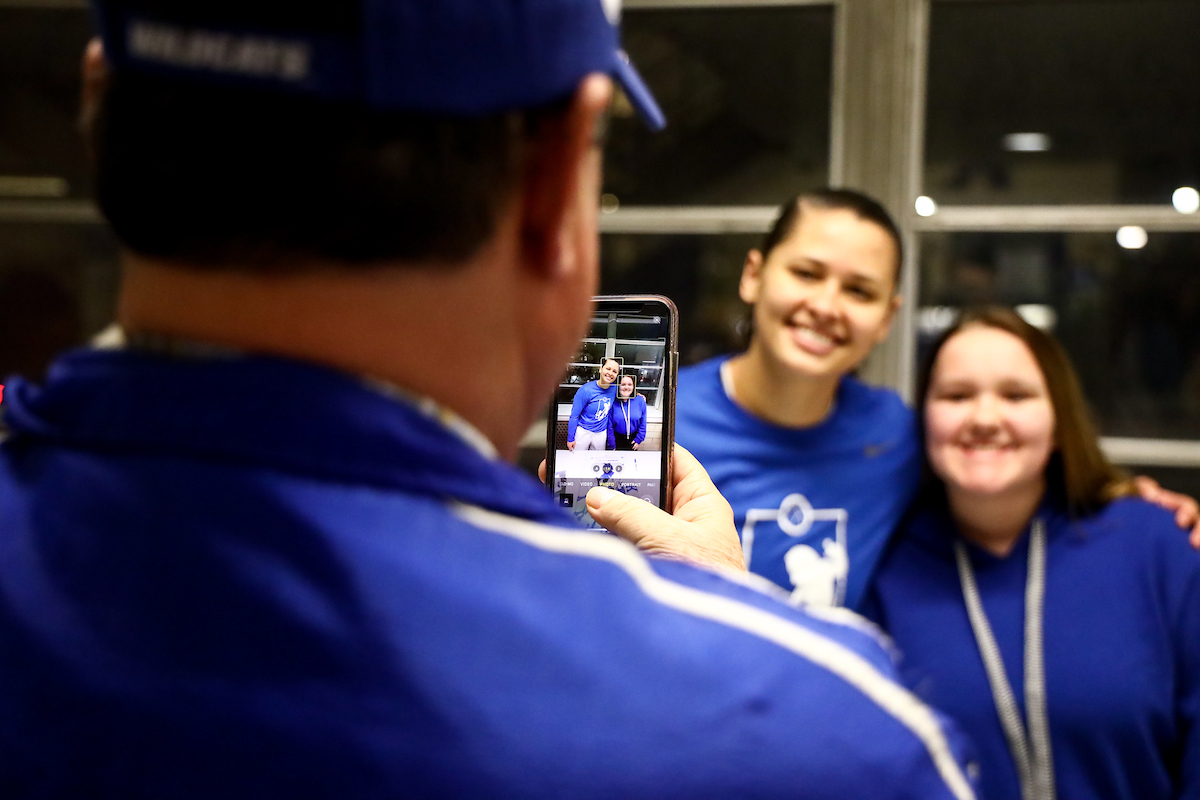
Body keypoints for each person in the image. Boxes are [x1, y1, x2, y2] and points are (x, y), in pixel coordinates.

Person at [0, 1, 980, 798]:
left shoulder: (892, 440)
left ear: (100, 106)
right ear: (557, 184)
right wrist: (718, 611)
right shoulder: (818, 737)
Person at [675, 189, 1200, 610]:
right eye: (806, 273)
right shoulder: (662, 422)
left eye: (859, 291)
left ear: (887, 317)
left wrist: (1133, 501)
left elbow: (1008, 474)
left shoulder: (898, 436)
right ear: (754, 275)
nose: (826, 305)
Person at [863, 308, 1200, 800]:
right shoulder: (884, 564)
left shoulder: (1158, 545)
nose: (983, 418)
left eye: (1016, 395)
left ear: (1060, 420)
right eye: (956, 396)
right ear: (924, 420)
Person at [567, 357, 619, 450]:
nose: (610, 373)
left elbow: (627, 391)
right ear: (600, 369)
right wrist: (570, 438)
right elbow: (574, 415)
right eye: (608, 368)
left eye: (614, 371)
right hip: (583, 431)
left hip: (601, 433)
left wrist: (638, 395)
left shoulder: (615, 389)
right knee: (578, 459)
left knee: (597, 460)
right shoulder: (585, 390)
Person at [607, 373, 647, 450]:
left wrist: (638, 439)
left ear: (633, 387)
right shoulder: (613, 402)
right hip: (616, 439)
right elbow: (609, 426)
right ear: (618, 386)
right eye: (623, 384)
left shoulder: (640, 401)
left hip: (633, 440)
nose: (626, 387)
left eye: (629, 384)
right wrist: (611, 444)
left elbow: (643, 422)